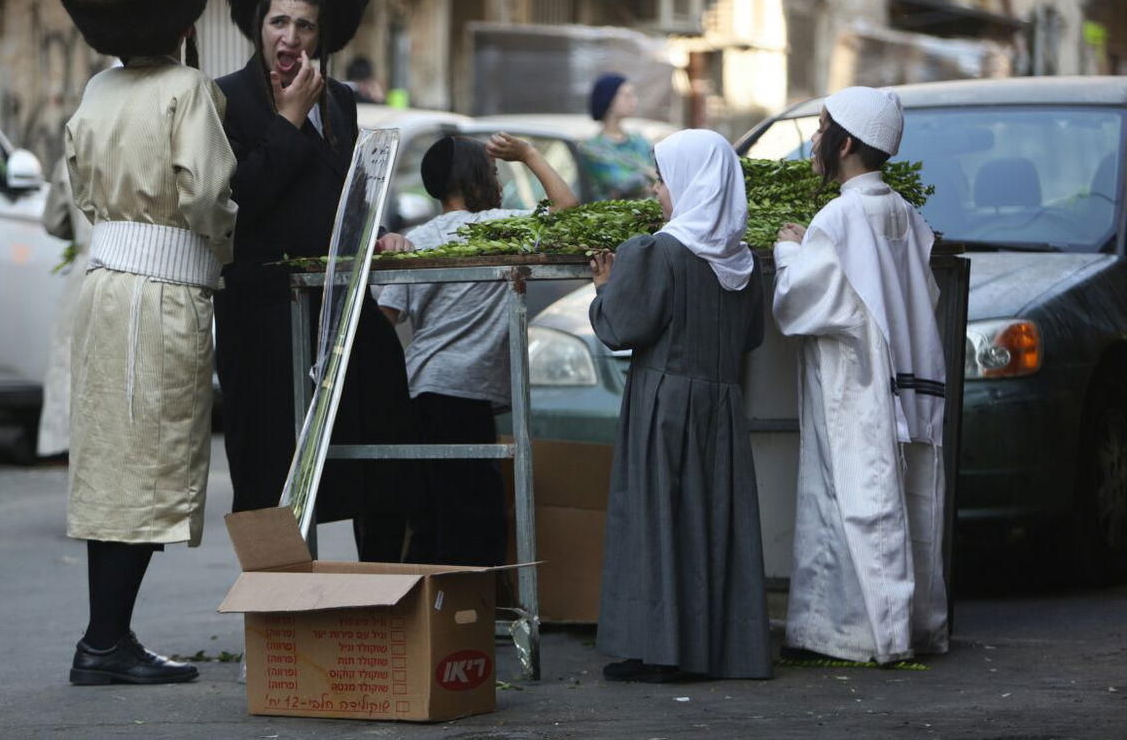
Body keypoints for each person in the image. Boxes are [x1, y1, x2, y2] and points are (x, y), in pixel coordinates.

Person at [54, 0, 237, 685]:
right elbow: (209, 197)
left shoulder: (97, 89)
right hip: (163, 294)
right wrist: (223, 249)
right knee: (153, 461)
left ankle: (107, 634)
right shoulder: (188, 89)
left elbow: (77, 188)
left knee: (112, 462)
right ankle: (104, 641)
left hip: (102, 292)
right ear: (185, 14)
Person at [214, 0, 416, 561]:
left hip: (339, 310)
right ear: (258, 26)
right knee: (270, 470)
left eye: (303, 26)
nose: (290, 39)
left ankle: (383, 601)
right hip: (264, 316)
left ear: (321, 34)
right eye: (278, 23)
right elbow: (237, 202)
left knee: (385, 443)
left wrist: (377, 234)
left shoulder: (344, 101)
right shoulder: (226, 100)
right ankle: (278, 618)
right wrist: (288, 122)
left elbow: (349, 193)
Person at [772, 86, 948, 665]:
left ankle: (869, 636)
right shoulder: (902, 211)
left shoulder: (841, 215)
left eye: (822, 128)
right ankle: (906, 628)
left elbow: (799, 304)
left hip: (858, 383)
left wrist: (787, 252)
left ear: (845, 142)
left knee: (857, 502)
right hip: (906, 379)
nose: (815, 140)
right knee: (903, 503)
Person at [588, 129, 771, 683]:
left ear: (693, 185)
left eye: (664, 181)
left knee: (657, 522)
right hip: (720, 403)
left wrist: (604, 289)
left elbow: (620, 328)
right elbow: (750, 338)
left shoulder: (657, 252)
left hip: (663, 403)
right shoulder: (741, 262)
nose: (657, 192)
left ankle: (659, 651)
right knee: (710, 525)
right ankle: (710, 650)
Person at [378, 133, 578, 566]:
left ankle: (434, 623)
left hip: (420, 390)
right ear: (475, 182)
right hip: (461, 395)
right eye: (493, 174)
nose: (499, 184)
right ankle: (462, 622)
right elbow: (566, 212)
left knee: (433, 515)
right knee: (476, 517)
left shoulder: (416, 238)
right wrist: (528, 154)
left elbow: (386, 318)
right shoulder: (498, 229)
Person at [35, 158, 91, 459]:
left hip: (86, 265)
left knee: (68, 352)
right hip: (140, 264)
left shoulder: (76, 139)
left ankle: (63, 438)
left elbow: (54, 221)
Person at [578, 72, 655, 199]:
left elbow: (659, 174)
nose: (634, 101)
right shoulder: (592, 148)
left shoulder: (639, 141)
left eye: (633, 95)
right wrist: (649, 175)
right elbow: (619, 182)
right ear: (608, 99)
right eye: (627, 96)